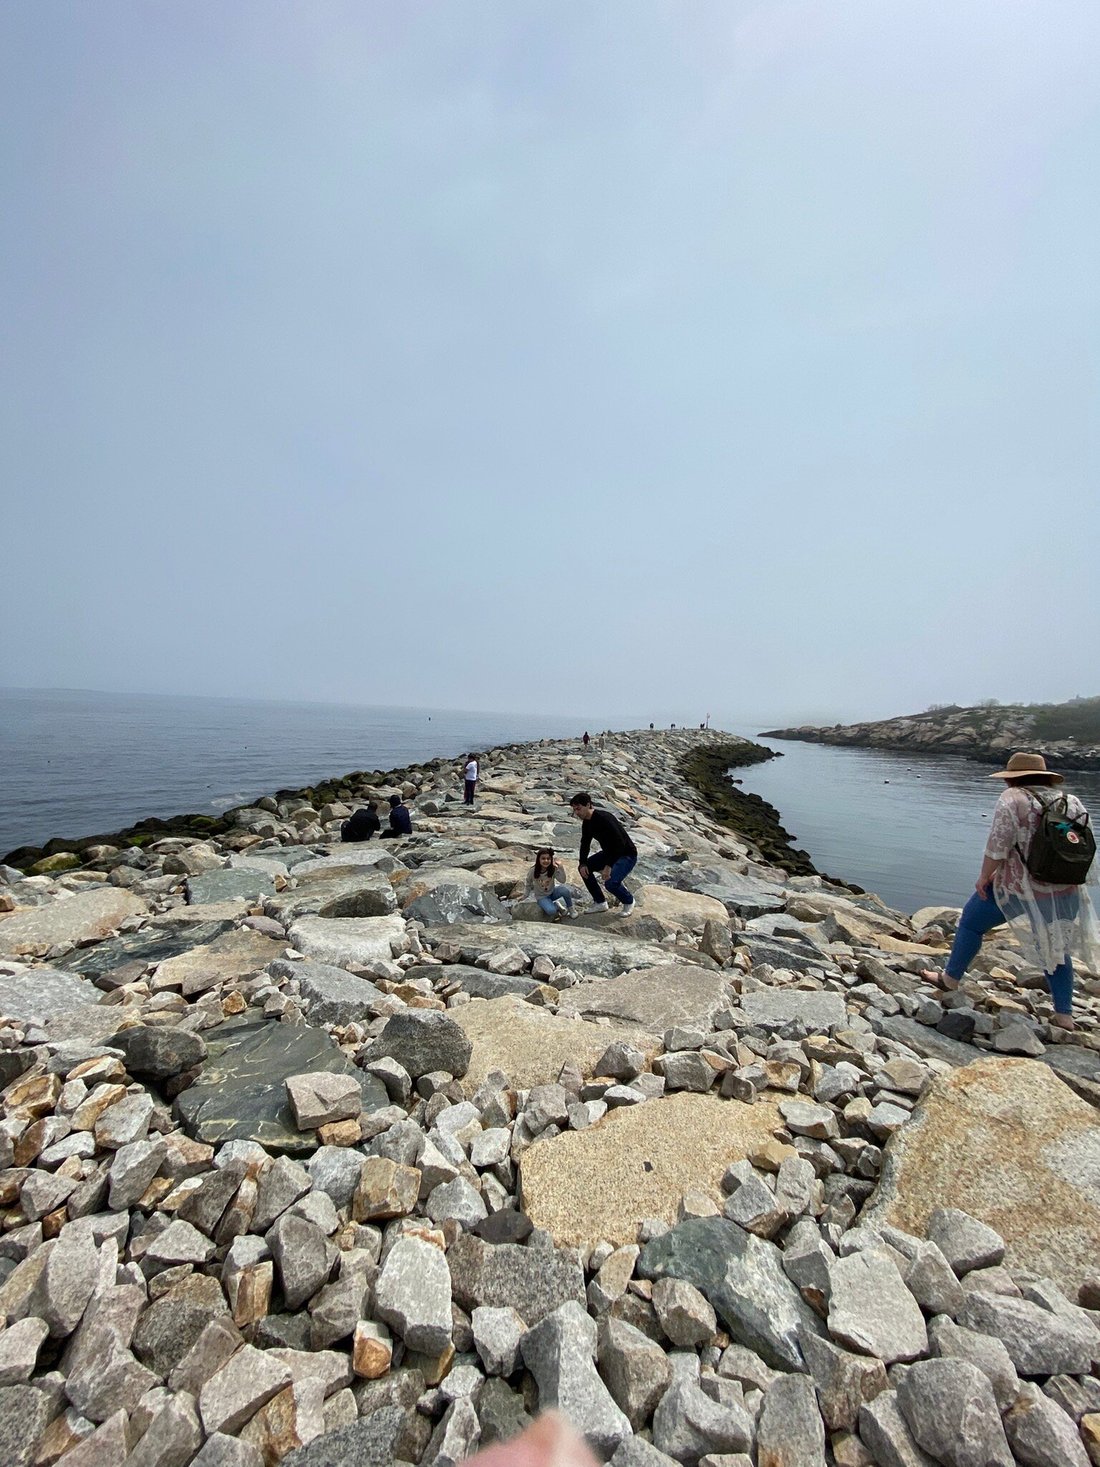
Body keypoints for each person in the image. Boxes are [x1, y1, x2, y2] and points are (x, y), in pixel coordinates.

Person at [924, 752, 1099, 1031]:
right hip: (1065, 887)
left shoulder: (1013, 798)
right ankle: (1064, 1015)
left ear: (1011, 778)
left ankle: (950, 979)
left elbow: (998, 844)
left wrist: (984, 877)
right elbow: (1084, 843)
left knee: (971, 922)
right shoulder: (1071, 801)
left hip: (1019, 886)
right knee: (1055, 946)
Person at [568, 791, 638, 914]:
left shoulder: (604, 818)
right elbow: (585, 844)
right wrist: (583, 862)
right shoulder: (587, 823)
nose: (576, 813)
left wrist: (608, 866)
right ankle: (600, 902)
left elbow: (620, 843)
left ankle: (628, 901)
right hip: (609, 853)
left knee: (610, 883)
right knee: (584, 869)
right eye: (575, 810)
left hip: (626, 854)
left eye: (578, 809)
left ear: (588, 805)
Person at [523, 847, 576, 920]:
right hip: (542, 897)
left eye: (548, 858)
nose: (546, 861)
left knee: (565, 891)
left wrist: (560, 868)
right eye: (543, 858)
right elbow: (528, 883)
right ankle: (557, 905)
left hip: (552, 892)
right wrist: (525, 895)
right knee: (551, 911)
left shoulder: (552, 869)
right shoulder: (533, 871)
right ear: (538, 859)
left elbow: (562, 880)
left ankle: (571, 909)